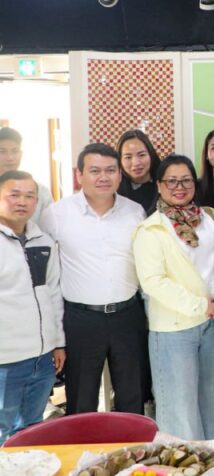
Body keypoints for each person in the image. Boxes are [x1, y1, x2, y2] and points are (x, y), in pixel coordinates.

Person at [132, 155, 214, 441]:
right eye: (172, 181)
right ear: (159, 185)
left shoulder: (211, 218)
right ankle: (187, 465)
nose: (180, 187)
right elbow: (153, 282)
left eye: (186, 180)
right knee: (180, 410)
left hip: (213, 324)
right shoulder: (151, 229)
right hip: (173, 330)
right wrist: (201, 305)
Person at [39, 143, 147, 415]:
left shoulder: (135, 212)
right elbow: (46, 273)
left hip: (128, 316)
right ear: (80, 175)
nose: (103, 177)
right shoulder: (56, 214)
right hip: (81, 319)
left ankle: (131, 444)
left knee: (132, 395)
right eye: (95, 171)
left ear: (119, 175)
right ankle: (82, 445)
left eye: (110, 170)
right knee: (81, 399)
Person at [0, 170, 63, 442]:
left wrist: (58, 343)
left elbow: (54, 294)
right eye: (14, 195)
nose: (22, 202)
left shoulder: (44, 241)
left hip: (43, 359)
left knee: (33, 430)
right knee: (4, 432)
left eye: (29, 196)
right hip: (5, 361)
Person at [0, 127, 52, 223]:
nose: (10, 157)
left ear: (21, 154)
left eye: (15, 151)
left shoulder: (40, 190)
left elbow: (48, 226)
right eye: (2, 152)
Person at [116, 130, 162, 210]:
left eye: (141, 155)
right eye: (128, 157)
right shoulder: (114, 189)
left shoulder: (165, 182)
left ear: (151, 154)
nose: (136, 163)